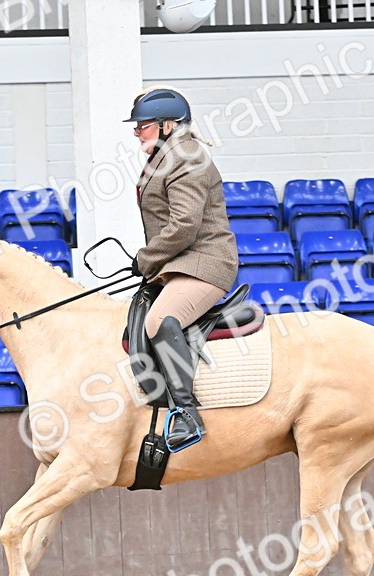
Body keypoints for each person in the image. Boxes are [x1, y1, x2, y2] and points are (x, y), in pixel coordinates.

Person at [125, 87, 238, 450]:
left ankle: (187, 414)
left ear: (167, 125)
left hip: (206, 262)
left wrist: (147, 258)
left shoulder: (186, 156)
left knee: (159, 320)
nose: (137, 132)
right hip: (180, 262)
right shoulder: (166, 155)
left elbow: (185, 224)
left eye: (142, 126)